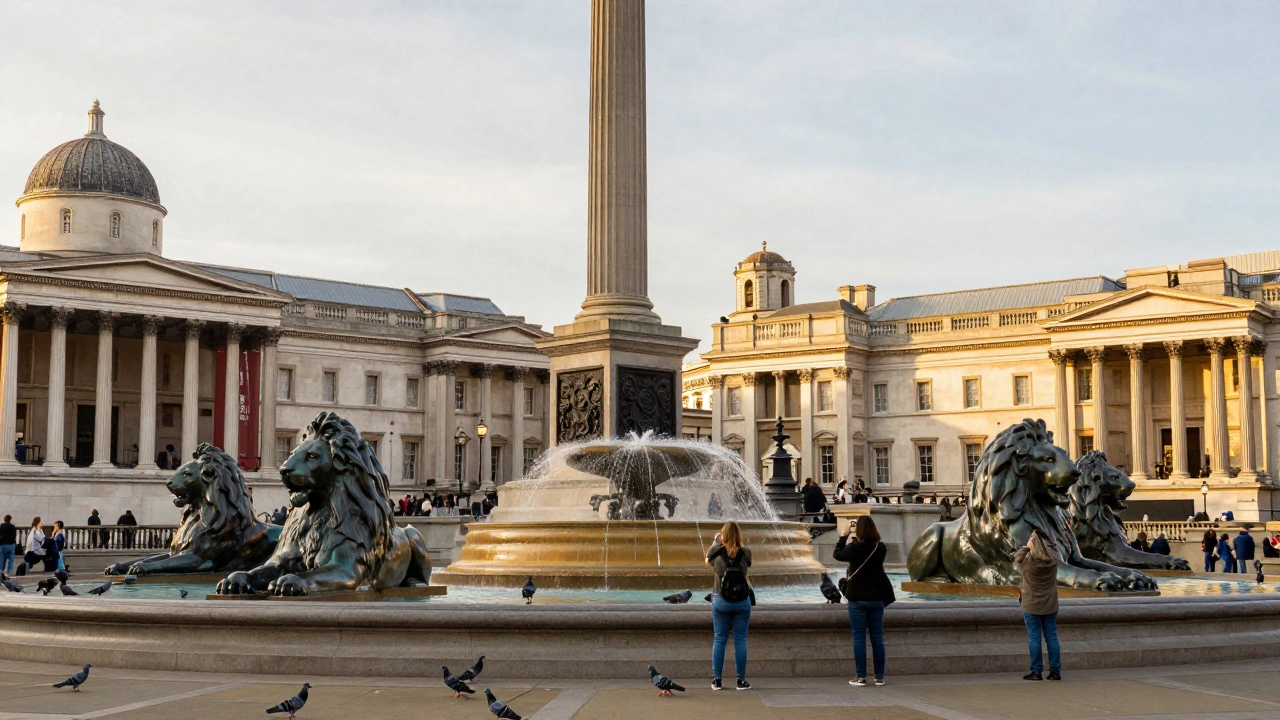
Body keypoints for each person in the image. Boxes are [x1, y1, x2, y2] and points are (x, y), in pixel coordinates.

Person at [834, 515, 892, 686]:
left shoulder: (854, 548)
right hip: (876, 598)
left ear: (857, 530)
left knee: (859, 637)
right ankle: (879, 677)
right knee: (877, 637)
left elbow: (837, 554)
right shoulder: (880, 547)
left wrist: (844, 536)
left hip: (857, 598)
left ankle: (861, 676)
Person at [706, 521, 752, 691]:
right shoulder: (746, 552)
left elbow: (707, 560)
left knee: (720, 639)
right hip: (741, 600)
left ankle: (717, 680)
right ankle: (741, 680)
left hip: (721, 599)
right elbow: (748, 565)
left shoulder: (716, 552)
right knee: (740, 639)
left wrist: (716, 541)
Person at [1014, 530, 1062, 681]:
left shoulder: (1029, 564)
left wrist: (1027, 547)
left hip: (1031, 606)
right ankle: (1055, 671)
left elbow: (1016, 558)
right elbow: (1056, 551)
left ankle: (1036, 671)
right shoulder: (1053, 563)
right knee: (1052, 637)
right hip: (1050, 605)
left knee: (1034, 638)